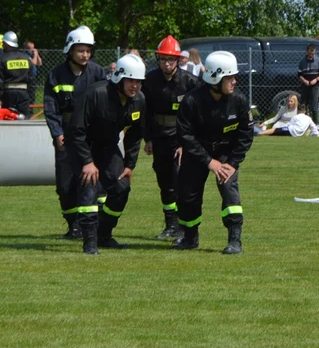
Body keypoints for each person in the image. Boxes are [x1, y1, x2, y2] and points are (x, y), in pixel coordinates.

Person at [174, 51, 253, 254]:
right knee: (188, 195)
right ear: (216, 78)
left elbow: (246, 134)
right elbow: (186, 136)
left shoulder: (240, 101)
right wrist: (209, 162)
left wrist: (233, 163)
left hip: (227, 154)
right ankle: (190, 237)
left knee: (229, 190)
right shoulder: (191, 101)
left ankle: (235, 240)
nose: (235, 81)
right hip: (198, 153)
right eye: (230, 77)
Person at [68, 54, 145, 254]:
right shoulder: (95, 94)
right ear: (118, 77)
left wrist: (129, 165)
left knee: (121, 188)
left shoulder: (139, 101)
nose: (134, 86)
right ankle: (89, 243)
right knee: (89, 191)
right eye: (130, 80)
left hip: (108, 148)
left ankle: (104, 235)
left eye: (138, 81)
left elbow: (136, 134)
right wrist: (87, 162)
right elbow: (76, 131)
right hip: (82, 147)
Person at [43, 26, 109, 239]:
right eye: (81, 50)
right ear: (70, 50)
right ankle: (74, 226)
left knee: (95, 182)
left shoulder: (98, 73)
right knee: (65, 184)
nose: (85, 55)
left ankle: (95, 223)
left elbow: (106, 104)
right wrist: (57, 133)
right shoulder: (55, 75)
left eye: (88, 51)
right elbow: (50, 107)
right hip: (66, 136)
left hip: (92, 136)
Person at [142, 35, 200, 239]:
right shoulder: (149, 81)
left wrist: (186, 144)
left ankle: (184, 227)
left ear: (178, 60)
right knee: (164, 181)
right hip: (159, 137)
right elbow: (145, 112)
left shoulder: (190, 82)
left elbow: (196, 117)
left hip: (181, 137)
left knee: (182, 181)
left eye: (171, 59)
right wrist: (147, 138)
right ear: (158, 60)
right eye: (163, 59)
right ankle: (171, 225)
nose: (167, 63)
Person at [0, 31, 35, 117]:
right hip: (24, 94)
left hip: (8, 95)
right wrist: (31, 98)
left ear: (7, 44)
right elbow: (31, 79)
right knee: (24, 119)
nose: (2, 45)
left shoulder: (2, 59)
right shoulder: (26, 59)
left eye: (3, 43)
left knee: (8, 119)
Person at [297, 44, 319, 123]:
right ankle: (302, 123)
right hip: (305, 86)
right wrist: (304, 81)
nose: (311, 55)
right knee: (303, 105)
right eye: (310, 53)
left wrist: (316, 80)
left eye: (313, 53)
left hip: (315, 87)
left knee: (314, 107)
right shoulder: (302, 62)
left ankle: (315, 124)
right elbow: (299, 75)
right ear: (307, 52)